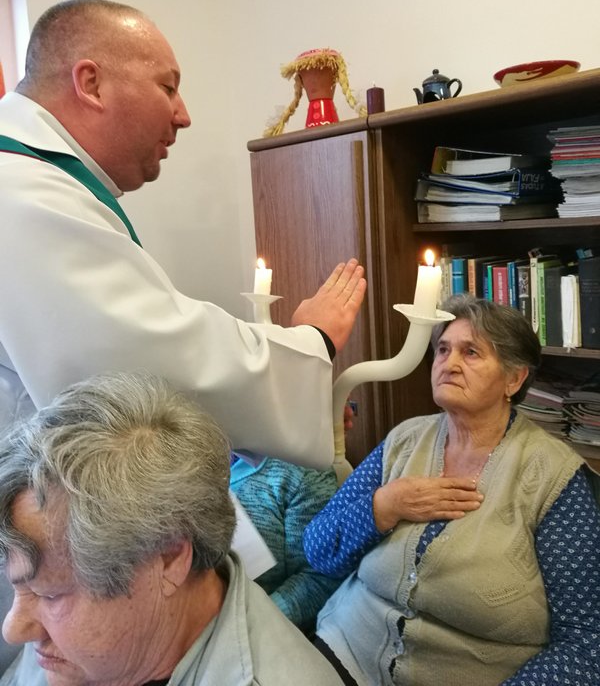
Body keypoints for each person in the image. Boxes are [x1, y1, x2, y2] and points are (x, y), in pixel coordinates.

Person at [0, 0, 366, 470]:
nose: (183, 115)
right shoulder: (20, 190)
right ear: (91, 84)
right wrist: (312, 339)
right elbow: (139, 365)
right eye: (167, 87)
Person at [304, 294, 600, 686]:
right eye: (443, 349)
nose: (449, 363)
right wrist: (384, 506)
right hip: (343, 650)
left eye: (471, 352)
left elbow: (586, 642)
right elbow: (318, 550)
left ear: (514, 379)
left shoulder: (554, 477)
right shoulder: (404, 440)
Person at [0, 371, 347, 686]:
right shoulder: (74, 626)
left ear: (169, 558)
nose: (13, 630)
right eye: (22, 587)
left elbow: (316, 576)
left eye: (50, 596)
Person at [230, 453, 343, 634]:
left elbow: (320, 578)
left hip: (262, 632)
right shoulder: (184, 458)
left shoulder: (301, 470)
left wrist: (251, 627)